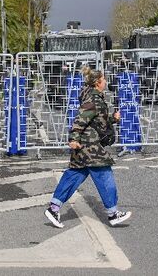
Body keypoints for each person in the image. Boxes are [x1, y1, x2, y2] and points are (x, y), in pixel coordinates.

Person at [44, 65, 131, 229]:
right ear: (98, 82)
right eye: (104, 79)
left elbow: (97, 121)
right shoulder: (92, 99)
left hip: (83, 146)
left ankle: (53, 208)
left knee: (74, 175)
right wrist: (73, 138)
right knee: (104, 174)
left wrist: (112, 118)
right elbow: (80, 120)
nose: (105, 81)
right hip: (89, 146)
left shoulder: (94, 97)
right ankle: (113, 213)